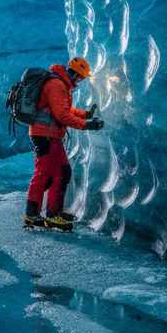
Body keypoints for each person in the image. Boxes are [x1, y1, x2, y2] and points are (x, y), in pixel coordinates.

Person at [24, 56, 103, 232]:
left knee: (62, 172)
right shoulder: (56, 85)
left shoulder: (62, 85)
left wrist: (84, 115)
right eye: (80, 76)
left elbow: (63, 109)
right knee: (43, 174)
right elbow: (62, 116)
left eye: (83, 78)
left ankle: (54, 212)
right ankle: (32, 214)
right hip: (44, 134)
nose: (80, 80)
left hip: (52, 135)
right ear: (72, 72)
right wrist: (87, 125)